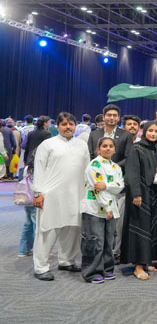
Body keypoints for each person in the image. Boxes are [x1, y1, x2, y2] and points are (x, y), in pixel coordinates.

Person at [32, 112, 91, 281]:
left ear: (75, 126)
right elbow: (39, 169)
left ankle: (66, 261)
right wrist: (38, 193)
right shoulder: (48, 144)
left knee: (73, 229)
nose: (68, 127)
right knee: (47, 230)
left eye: (71, 124)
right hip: (51, 196)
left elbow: (87, 170)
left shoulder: (82, 145)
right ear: (57, 126)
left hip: (77, 194)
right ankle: (40, 266)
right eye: (64, 124)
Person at [87, 104, 132, 260]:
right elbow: (90, 157)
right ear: (104, 116)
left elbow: (128, 158)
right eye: (109, 115)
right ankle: (97, 254)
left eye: (114, 115)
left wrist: (111, 168)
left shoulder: (125, 135)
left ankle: (115, 251)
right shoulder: (94, 134)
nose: (111, 117)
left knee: (116, 221)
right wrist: (101, 169)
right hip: (97, 185)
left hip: (116, 185)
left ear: (118, 118)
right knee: (97, 220)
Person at [80, 137, 124, 283]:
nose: (107, 148)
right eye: (104, 146)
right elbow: (97, 189)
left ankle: (107, 269)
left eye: (111, 146)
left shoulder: (116, 167)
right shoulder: (94, 165)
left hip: (111, 208)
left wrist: (106, 185)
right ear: (98, 149)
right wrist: (106, 207)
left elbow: (120, 186)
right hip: (95, 209)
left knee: (108, 241)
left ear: (114, 149)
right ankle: (92, 272)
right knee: (94, 241)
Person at [123, 121, 157, 280]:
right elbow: (131, 173)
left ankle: (146, 261)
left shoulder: (156, 149)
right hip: (140, 195)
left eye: (155, 131)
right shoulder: (136, 148)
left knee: (150, 228)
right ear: (144, 131)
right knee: (140, 229)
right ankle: (138, 266)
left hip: (153, 194)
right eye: (150, 131)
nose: (153, 134)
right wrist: (136, 194)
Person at [17, 154, 37, 258]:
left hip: (26, 199)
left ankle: (23, 250)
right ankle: (39, 250)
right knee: (37, 226)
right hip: (36, 200)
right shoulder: (39, 169)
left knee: (28, 225)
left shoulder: (26, 169)